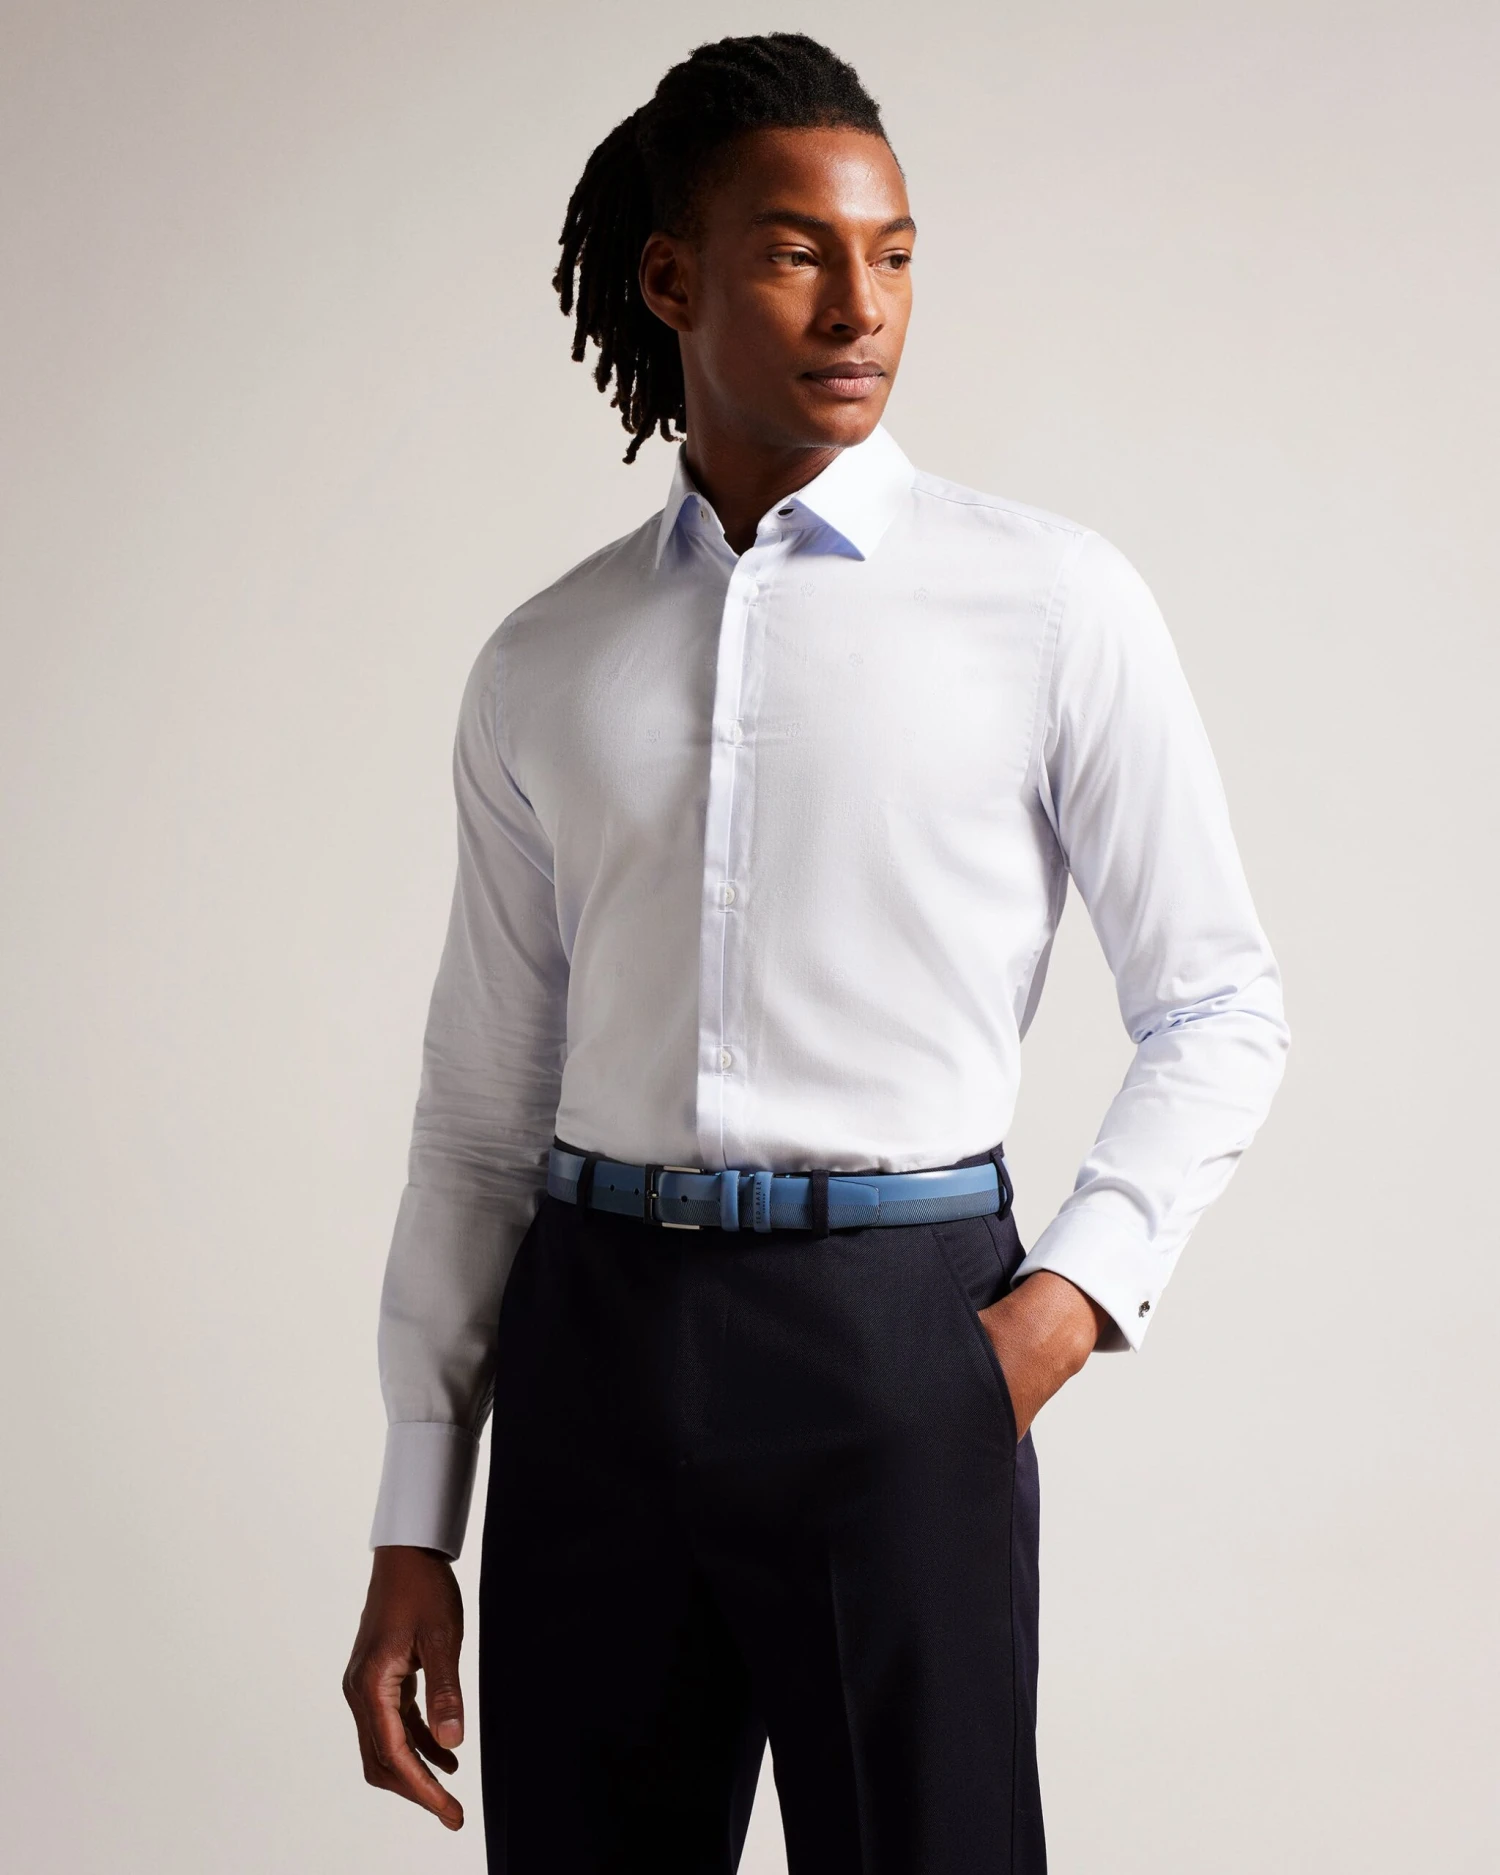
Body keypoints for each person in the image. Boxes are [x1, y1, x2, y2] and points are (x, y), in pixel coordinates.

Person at [342, 31, 1289, 1873]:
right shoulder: (544, 657)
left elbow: (1219, 1003)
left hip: (901, 1333)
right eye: (796, 253)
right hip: (593, 1347)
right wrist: (413, 1514)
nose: (862, 307)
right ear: (669, 278)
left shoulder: (1052, 604)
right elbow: (476, 1111)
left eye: (896, 254)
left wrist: (1053, 1316)